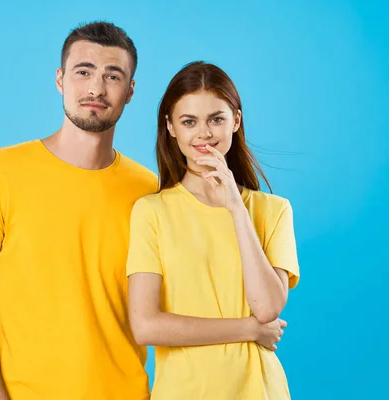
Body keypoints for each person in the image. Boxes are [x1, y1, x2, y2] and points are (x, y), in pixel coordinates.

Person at [0, 21, 157, 399]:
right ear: (60, 79)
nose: (96, 88)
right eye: (83, 72)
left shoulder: (149, 191)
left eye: (113, 76)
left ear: (130, 91)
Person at [126, 61, 300, 399]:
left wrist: (235, 207)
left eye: (216, 119)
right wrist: (249, 329)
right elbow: (146, 325)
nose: (203, 133)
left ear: (235, 120)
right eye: (189, 121)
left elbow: (267, 309)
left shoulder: (273, 211)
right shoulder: (152, 212)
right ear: (171, 127)